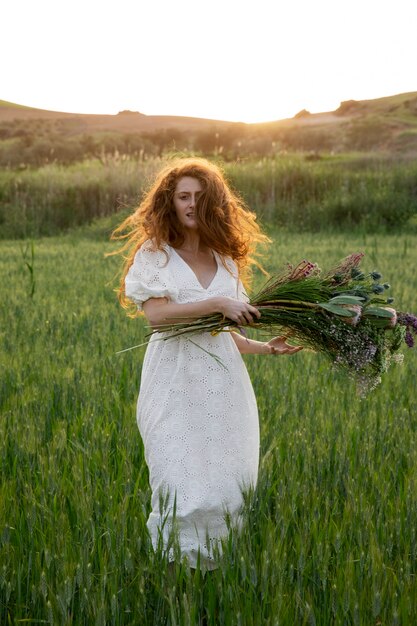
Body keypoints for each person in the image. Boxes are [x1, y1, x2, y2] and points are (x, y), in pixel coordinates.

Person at [113, 157, 302, 572]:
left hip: (223, 385)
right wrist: (219, 303)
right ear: (170, 201)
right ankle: (173, 574)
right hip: (173, 381)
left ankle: (220, 575)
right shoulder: (156, 255)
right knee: (178, 481)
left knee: (226, 484)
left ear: (214, 202)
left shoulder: (225, 260)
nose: (191, 204)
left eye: (200, 197)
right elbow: (157, 316)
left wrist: (264, 348)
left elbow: (221, 335)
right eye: (183, 196)